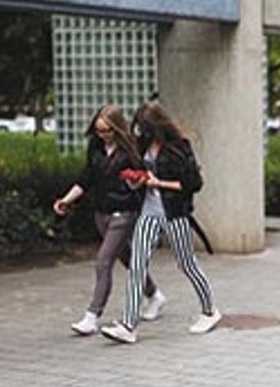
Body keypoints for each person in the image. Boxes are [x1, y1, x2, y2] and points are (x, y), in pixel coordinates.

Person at [100, 101, 220, 344]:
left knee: (186, 264)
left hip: (174, 214)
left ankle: (210, 311)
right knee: (137, 266)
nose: (143, 133)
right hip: (148, 213)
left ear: (157, 125)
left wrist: (160, 183)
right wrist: (137, 182)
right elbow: (144, 177)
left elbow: (193, 184)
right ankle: (129, 325)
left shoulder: (178, 148)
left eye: (146, 128)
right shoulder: (142, 145)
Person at [53, 105, 164, 336]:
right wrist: (66, 200)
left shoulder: (131, 147)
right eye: (99, 131)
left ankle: (92, 316)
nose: (103, 135)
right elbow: (86, 178)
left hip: (124, 212)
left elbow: (144, 177)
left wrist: (136, 182)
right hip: (101, 212)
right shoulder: (95, 147)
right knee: (127, 257)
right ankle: (154, 294)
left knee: (103, 261)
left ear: (117, 128)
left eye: (107, 131)